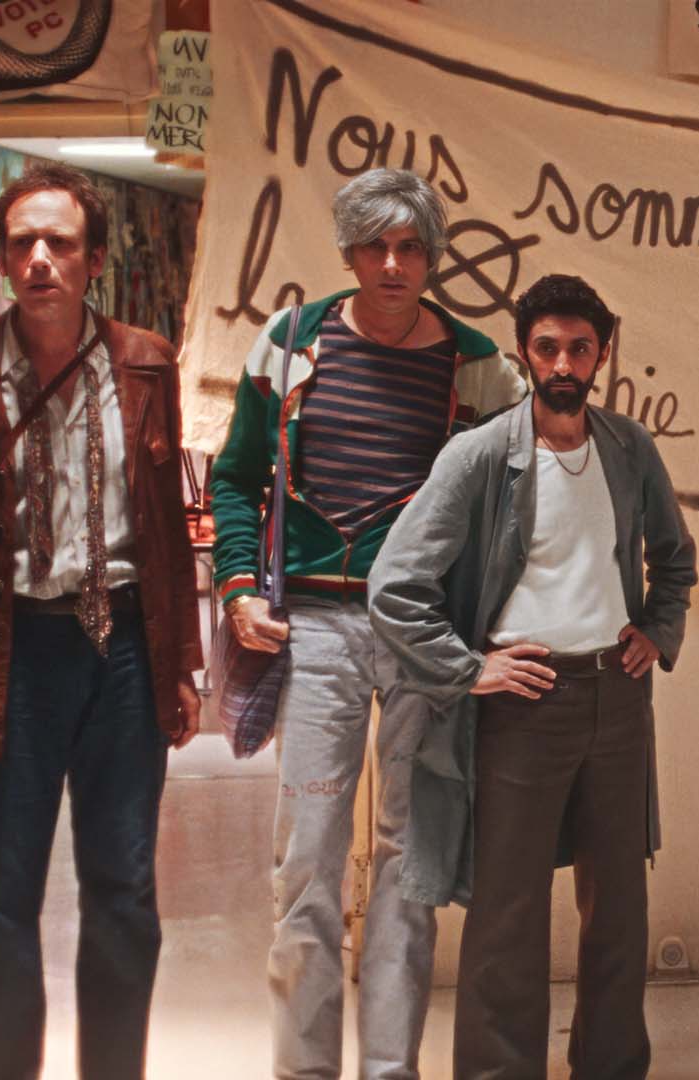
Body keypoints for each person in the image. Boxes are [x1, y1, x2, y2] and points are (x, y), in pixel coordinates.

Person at [0, 162, 203, 1080]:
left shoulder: (146, 363)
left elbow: (165, 529)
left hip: (123, 648)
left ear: (94, 260)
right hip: (5, 652)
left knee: (125, 891)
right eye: (23, 242)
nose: (40, 260)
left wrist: (181, 662)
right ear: (5, 255)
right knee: (3, 897)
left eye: (60, 242)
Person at [208, 168, 526, 1080]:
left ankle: (392, 1068)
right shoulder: (290, 344)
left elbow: (512, 512)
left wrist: (486, 630)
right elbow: (236, 478)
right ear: (348, 252)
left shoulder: (479, 366)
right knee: (307, 859)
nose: (393, 265)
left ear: (433, 257)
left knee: (409, 861)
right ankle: (304, 1070)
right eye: (376, 247)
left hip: (421, 629)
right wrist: (238, 585)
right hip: (311, 628)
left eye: (411, 248)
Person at [369, 273, 696, 1078]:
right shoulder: (481, 455)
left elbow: (676, 558)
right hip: (524, 704)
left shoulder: (628, 448)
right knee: (507, 913)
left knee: (618, 907)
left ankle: (610, 1066)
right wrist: (468, 668)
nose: (563, 364)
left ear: (602, 354)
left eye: (579, 348)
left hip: (617, 699)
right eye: (547, 347)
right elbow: (394, 585)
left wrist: (658, 632)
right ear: (524, 352)